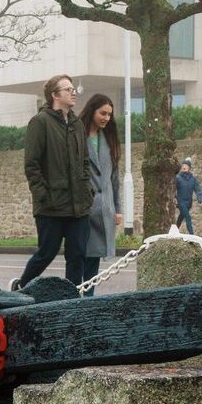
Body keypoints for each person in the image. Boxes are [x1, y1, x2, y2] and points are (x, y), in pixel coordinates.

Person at [14, 74, 92, 291]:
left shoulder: (77, 124)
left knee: (77, 255)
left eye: (73, 88)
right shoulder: (40, 122)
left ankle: (71, 299)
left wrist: (87, 190)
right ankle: (21, 288)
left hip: (78, 206)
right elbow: (32, 165)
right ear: (55, 95)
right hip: (51, 206)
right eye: (68, 89)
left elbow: (85, 160)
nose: (73, 92)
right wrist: (43, 196)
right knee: (46, 253)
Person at [79, 93, 122, 296]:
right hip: (82, 207)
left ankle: (88, 297)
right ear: (92, 111)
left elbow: (115, 179)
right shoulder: (77, 135)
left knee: (94, 256)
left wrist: (118, 209)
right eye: (102, 113)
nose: (106, 118)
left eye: (109, 114)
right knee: (79, 256)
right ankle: (76, 297)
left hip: (104, 208)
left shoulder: (109, 139)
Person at [174, 159, 202, 234]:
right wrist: (175, 198)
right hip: (181, 201)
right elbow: (172, 188)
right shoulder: (178, 178)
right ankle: (192, 235)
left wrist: (199, 197)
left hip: (189, 203)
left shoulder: (192, 179)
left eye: (186, 165)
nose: (184, 167)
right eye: (183, 165)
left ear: (189, 168)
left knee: (181, 217)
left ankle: (175, 231)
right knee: (188, 218)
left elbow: (197, 189)